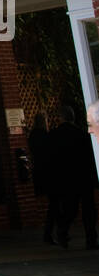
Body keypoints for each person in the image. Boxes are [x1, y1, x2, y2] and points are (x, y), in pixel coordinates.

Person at [48, 105, 98, 249]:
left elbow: (52, 160)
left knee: (70, 209)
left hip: (65, 178)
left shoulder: (54, 136)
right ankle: (91, 239)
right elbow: (90, 157)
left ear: (60, 118)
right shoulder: (81, 134)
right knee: (89, 209)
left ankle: (62, 232)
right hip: (83, 177)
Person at [28, 112, 55, 243]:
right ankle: (52, 232)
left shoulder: (32, 135)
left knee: (53, 203)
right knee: (55, 203)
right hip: (49, 172)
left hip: (39, 171)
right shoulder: (45, 135)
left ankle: (50, 232)